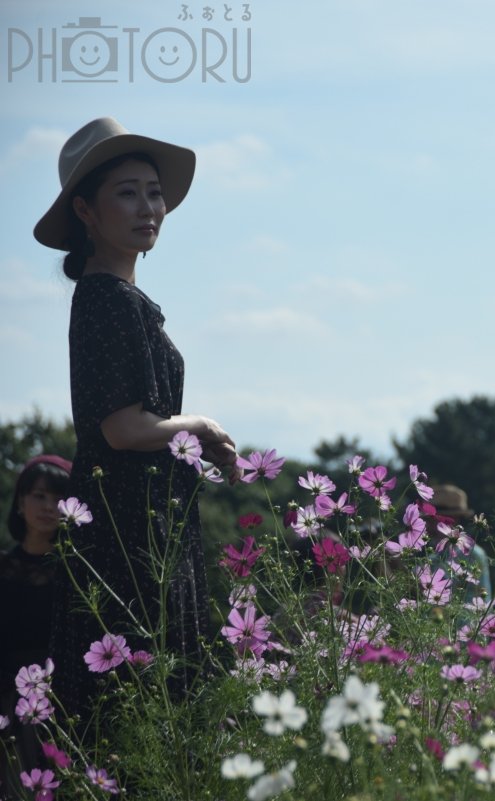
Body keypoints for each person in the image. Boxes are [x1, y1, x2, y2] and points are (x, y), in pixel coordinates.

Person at [34, 117, 241, 724]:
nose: (148, 206)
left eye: (154, 191)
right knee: (135, 716)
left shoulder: (117, 298)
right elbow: (121, 430)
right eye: (126, 192)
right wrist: (199, 424)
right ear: (87, 212)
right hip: (127, 533)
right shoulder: (107, 300)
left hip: (144, 524)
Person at [0, 455, 71, 797]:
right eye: (39, 495)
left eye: (59, 498)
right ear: (20, 502)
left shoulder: (77, 572)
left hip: (63, 702)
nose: (48, 507)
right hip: (6, 704)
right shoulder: (3, 567)